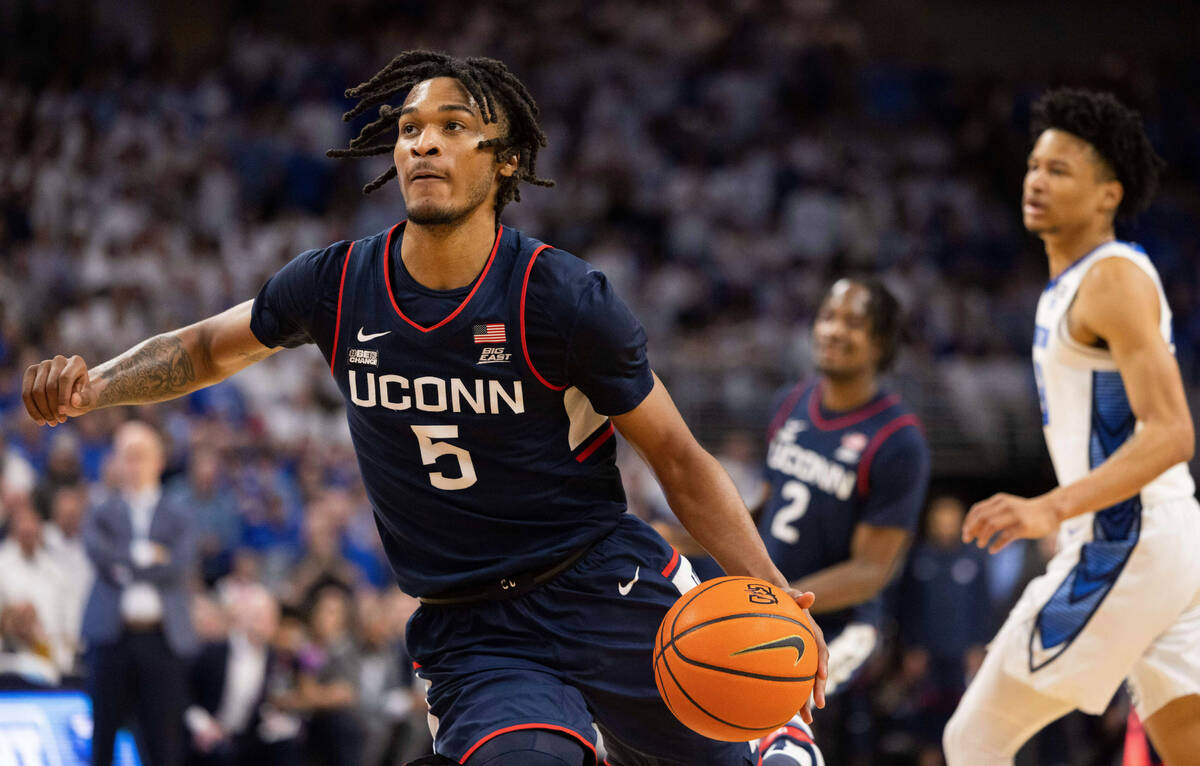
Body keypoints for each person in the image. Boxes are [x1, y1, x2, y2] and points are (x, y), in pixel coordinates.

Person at [22, 51, 827, 766]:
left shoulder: (563, 299)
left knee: (734, 726)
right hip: (471, 625)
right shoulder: (337, 284)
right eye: (408, 128)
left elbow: (680, 461)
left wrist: (775, 595)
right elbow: (202, 349)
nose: (423, 142)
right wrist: (98, 384)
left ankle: (777, 739)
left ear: (505, 161)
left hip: (599, 583)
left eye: (452, 126)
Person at [944, 88, 1200, 765]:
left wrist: (1048, 508)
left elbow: (1173, 432)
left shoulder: (1111, 278)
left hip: (1125, 541)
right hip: (1170, 541)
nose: (1036, 179)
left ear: (1108, 194)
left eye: (1059, 170)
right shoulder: (1072, 285)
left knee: (971, 741)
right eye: (1034, 165)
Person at [753, 277, 929, 765]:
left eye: (853, 323)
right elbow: (763, 509)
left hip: (843, 626)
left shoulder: (897, 439)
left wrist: (780, 601)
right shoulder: (790, 401)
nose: (832, 330)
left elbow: (872, 570)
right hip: (772, 606)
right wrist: (682, 534)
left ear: (881, 342)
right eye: (828, 316)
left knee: (788, 722)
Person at [81, 420, 200, 766]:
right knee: (102, 736)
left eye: (141, 456)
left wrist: (126, 562)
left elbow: (180, 563)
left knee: (163, 743)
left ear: (158, 461)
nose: (133, 465)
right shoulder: (101, 509)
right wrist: (149, 554)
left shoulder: (179, 511)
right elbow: (98, 555)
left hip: (163, 639)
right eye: (126, 456)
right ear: (116, 461)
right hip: (111, 635)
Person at [186, 584, 298, 766]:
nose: (267, 624)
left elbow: (265, 699)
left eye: (271, 618)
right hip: (209, 731)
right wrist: (202, 725)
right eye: (260, 616)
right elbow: (186, 692)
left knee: (287, 741)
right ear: (245, 618)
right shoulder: (215, 651)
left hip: (246, 736)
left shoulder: (272, 656)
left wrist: (273, 717)